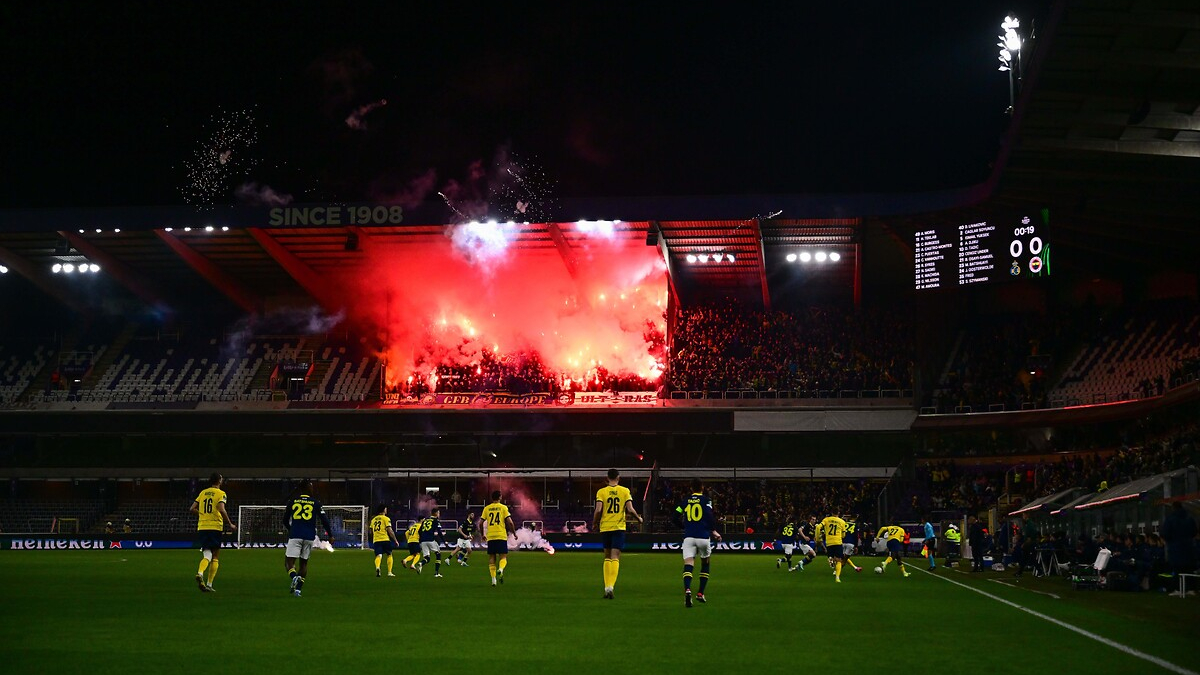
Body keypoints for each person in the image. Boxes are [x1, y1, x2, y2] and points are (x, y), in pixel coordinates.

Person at [593, 468, 644, 599]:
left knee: (607, 557)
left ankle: (606, 587)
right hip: (618, 527)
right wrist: (638, 519)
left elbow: (598, 510)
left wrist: (594, 523)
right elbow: (630, 509)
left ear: (607, 478)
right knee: (615, 557)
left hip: (605, 527)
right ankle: (611, 586)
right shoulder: (624, 491)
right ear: (618, 477)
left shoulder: (601, 492)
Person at [675, 478, 722, 607]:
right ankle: (700, 593)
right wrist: (713, 530)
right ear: (702, 488)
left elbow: (674, 516)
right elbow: (709, 516)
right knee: (705, 563)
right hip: (703, 537)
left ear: (691, 488)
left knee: (688, 564)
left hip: (689, 538)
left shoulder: (685, 501)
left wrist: (684, 526)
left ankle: (687, 589)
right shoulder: (706, 501)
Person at [284, 479, 334, 597]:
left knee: (289, 562)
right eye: (311, 487)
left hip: (295, 535)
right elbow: (324, 520)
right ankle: (298, 590)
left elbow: (285, 520)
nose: (312, 489)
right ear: (306, 488)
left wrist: (291, 529)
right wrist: (330, 535)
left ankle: (294, 577)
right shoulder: (315, 503)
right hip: (309, 537)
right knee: (304, 564)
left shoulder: (293, 501)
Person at [189, 472, 236, 593]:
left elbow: (192, 508)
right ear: (219, 481)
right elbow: (221, 509)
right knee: (215, 555)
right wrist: (230, 523)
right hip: (215, 527)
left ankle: (200, 573)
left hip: (202, 527)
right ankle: (209, 584)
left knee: (207, 554)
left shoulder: (203, 492)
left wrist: (203, 515)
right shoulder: (221, 493)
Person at [481, 490, 515, 586]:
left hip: (491, 536)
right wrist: (514, 533)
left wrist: (483, 534)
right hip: (501, 535)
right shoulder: (503, 507)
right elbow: (510, 522)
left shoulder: (487, 508)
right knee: (503, 557)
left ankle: (493, 580)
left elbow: (480, 523)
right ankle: (500, 569)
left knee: (492, 557)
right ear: (500, 497)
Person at [818, 514, 861, 582]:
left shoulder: (844, 523)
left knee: (841, 557)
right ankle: (837, 572)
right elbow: (855, 536)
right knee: (843, 559)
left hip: (841, 542)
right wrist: (856, 546)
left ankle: (854, 567)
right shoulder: (853, 525)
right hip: (848, 543)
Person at [1163, 502, 1197, 580]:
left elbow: (1165, 534)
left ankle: (1178, 586)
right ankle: (1189, 586)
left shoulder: (1170, 519)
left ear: (1173, 508)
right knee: (1189, 572)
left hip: (1175, 550)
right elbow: (1194, 532)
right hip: (1189, 549)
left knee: (1177, 572)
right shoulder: (1190, 518)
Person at [417, 506, 448, 578]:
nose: (439, 514)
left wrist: (421, 539)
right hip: (430, 540)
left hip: (423, 541)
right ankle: (436, 573)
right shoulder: (436, 521)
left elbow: (419, 531)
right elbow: (439, 532)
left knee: (427, 558)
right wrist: (444, 541)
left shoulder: (425, 520)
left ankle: (421, 563)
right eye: (439, 513)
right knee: (438, 554)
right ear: (436, 513)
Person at [370, 504, 400, 577]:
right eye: (386, 509)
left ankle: (377, 567)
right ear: (384, 510)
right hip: (385, 539)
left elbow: (371, 531)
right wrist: (395, 540)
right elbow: (390, 530)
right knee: (389, 554)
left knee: (378, 555)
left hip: (376, 540)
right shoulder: (386, 518)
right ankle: (389, 572)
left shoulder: (373, 520)